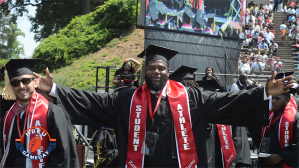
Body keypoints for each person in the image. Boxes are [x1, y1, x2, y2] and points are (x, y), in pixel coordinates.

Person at [34, 44, 294, 168]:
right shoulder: (127, 99)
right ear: (144, 72)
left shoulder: (192, 98)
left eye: (161, 68)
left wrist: (261, 93)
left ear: (168, 72)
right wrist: (55, 89)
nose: (156, 72)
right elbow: (92, 100)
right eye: (151, 68)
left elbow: (226, 102)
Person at [0, 59, 79, 168]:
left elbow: (63, 157)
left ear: (34, 82)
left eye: (26, 81)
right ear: (11, 87)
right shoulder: (8, 116)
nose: (21, 86)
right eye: (15, 83)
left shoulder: (52, 113)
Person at [256, 92, 299, 168]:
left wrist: (281, 156)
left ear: (287, 100)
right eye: (273, 98)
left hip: (283, 163)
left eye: (278, 98)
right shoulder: (268, 116)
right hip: (265, 162)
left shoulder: (295, 118)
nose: (273, 101)